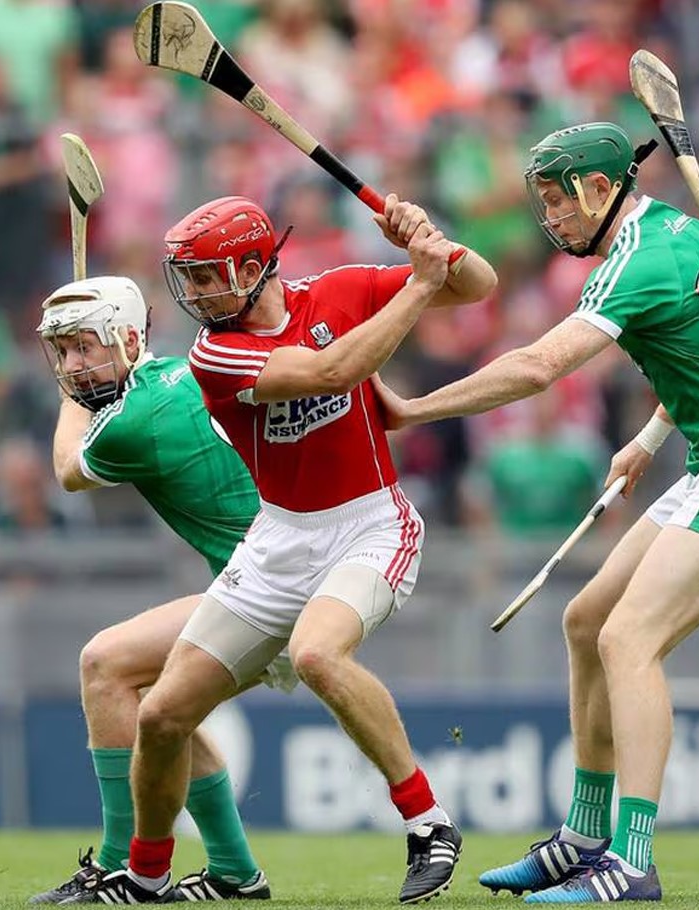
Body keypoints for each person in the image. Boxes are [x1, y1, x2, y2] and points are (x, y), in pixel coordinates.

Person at [379, 122, 699, 903]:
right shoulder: (675, 232)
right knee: (586, 621)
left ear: (597, 188)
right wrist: (651, 436)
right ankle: (583, 839)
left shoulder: (632, 262)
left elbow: (538, 367)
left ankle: (633, 859)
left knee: (629, 638)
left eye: (558, 201)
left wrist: (415, 411)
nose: (551, 220)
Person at [81, 194, 497, 905]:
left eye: (209, 277)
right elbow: (332, 372)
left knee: (315, 654)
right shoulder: (216, 352)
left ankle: (428, 824)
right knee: (161, 715)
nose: (197, 294)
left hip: (371, 525)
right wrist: (420, 282)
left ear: (251, 265)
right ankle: (147, 877)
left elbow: (478, 283)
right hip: (278, 539)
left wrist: (426, 239)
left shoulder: (343, 289)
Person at [32, 275, 276, 903]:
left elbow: (67, 471)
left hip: (273, 591)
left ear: (132, 339)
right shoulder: (177, 376)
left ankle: (118, 864)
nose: (74, 366)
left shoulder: (135, 416)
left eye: (86, 347)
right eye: (64, 352)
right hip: (270, 581)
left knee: (105, 666)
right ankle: (235, 873)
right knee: (165, 710)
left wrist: (71, 405)